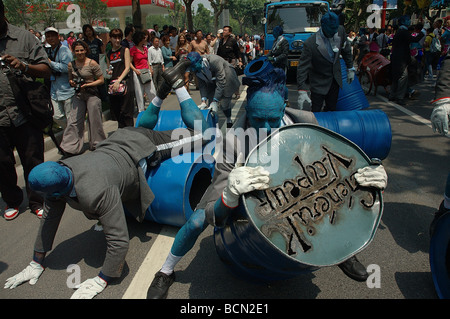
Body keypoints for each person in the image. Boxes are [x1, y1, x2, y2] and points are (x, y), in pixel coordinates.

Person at [146, 66, 388, 299]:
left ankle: (343, 252)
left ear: (284, 107)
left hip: (294, 182)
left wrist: (367, 170)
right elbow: (216, 216)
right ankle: (166, 270)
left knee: (332, 197)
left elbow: (339, 161)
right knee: (197, 221)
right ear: (248, 110)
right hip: (246, 185)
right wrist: (230, 194)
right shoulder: (233, 143)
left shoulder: (305, 121)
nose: (265, 128)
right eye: (257, 119)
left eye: (272, 119)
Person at [3, 59, 211, 299]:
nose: (51, 201)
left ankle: (176, 83)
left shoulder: (95, 190)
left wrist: (102, 279)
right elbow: (49, 219)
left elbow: (119, 240)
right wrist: (36, 261)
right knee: (141, 127)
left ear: (57, 190)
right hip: (121, 137)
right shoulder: (62, 169)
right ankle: (162, 92)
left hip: (142, 146)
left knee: (203, 134)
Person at [0, 0, 52, 221]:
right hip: (0, 117)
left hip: (25, 113)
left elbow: (46, 69)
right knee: (2, 163)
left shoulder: (24, 38)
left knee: (32, 160)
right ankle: (12, 200)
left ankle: (37, 200)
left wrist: (22, 65)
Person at [296, 12, 354, 112]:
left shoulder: (340, 31)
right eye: (332, 28)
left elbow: (346, 50)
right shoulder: (310, 44)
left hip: (335, 81)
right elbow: (302, 67)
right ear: (323, 26)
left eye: (336, 28)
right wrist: (302, 90)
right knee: (316, 112)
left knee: (332, 110)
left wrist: (350, 68)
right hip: (318, 83)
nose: (334, 31)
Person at [59, 40, 106, 156]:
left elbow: (101, 80)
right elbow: (70, 80)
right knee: (74, 120)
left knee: (95, 120)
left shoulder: (92, 63)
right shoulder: (71, 65)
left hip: (92, 94)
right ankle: (70, 147)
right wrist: (72, 83)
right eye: (77, 51)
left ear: (85, 50)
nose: (79, 53)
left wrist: (88, 84)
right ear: (73, 52)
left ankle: (97, 144)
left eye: (81, 50)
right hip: (79, 94)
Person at [186, 51, 240, 127]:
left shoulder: (214, 61)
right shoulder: (195, 69)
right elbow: (202, 84)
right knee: (210, 106)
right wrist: (203, 101)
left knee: (224, 104)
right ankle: (214, 127)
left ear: (199, 61)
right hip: (211, 80)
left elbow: (221, 81)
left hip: (227, 77)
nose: (193, 70)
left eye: (194, 66)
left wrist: (215, 100)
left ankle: (228, 118)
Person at [388, 16, 425, 106]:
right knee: (403, 77)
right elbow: (414, 39)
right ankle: (399, 97)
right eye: (408, 20)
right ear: (404, 22)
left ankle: (392, 95)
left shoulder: (399, 32)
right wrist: (423, 32)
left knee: (396, 76)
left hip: (397, 57)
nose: (409, 21)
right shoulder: (404, 32)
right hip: (402, 59)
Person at [44, 27, 75, 130]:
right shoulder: (49, 51)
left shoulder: (64, 50)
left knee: (70, 117)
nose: (50, 38)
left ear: (58, 36)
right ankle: (71, 133)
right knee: (56, 115)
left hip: (66, 89)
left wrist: (50, 63)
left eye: (53, 36)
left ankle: (72, 138)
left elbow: (67, 67)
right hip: (55, 90)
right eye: (48, 36)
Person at [106, 28, 134, 128]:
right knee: (117, 112)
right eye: (114, 38)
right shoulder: (108, 53)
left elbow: (127, 68)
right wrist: (108, 72)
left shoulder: (125, 50)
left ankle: (130, 136)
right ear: (110, 39)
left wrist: (119, 80)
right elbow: (109, 68)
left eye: (119, 38)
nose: (117, 40)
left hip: (125, 84)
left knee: (126, 112)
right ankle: (121, 135)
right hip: (114, 86)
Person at [130, 30, 156, 113]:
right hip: (138, 71)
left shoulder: (145, 49)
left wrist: (150, 69)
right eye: (143, 37)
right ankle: (141, 110)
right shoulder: (133, 50)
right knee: (139, 92)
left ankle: (154, 108)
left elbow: (147, 60)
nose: (145, 39)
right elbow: (129, 62)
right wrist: (135, 70)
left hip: (146, 70)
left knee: (152, 91)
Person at [267, 25, 289, 106]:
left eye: (274, 32)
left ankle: (286, 100)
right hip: (276, 65)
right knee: (275, 82)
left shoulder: (284, 41)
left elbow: (285, 54)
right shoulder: (275, 41)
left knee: (282, 83)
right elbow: (272, 52)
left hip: (282, 64)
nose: (273, 33)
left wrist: (275, 59)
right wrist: (264, 57)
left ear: (277, 32)